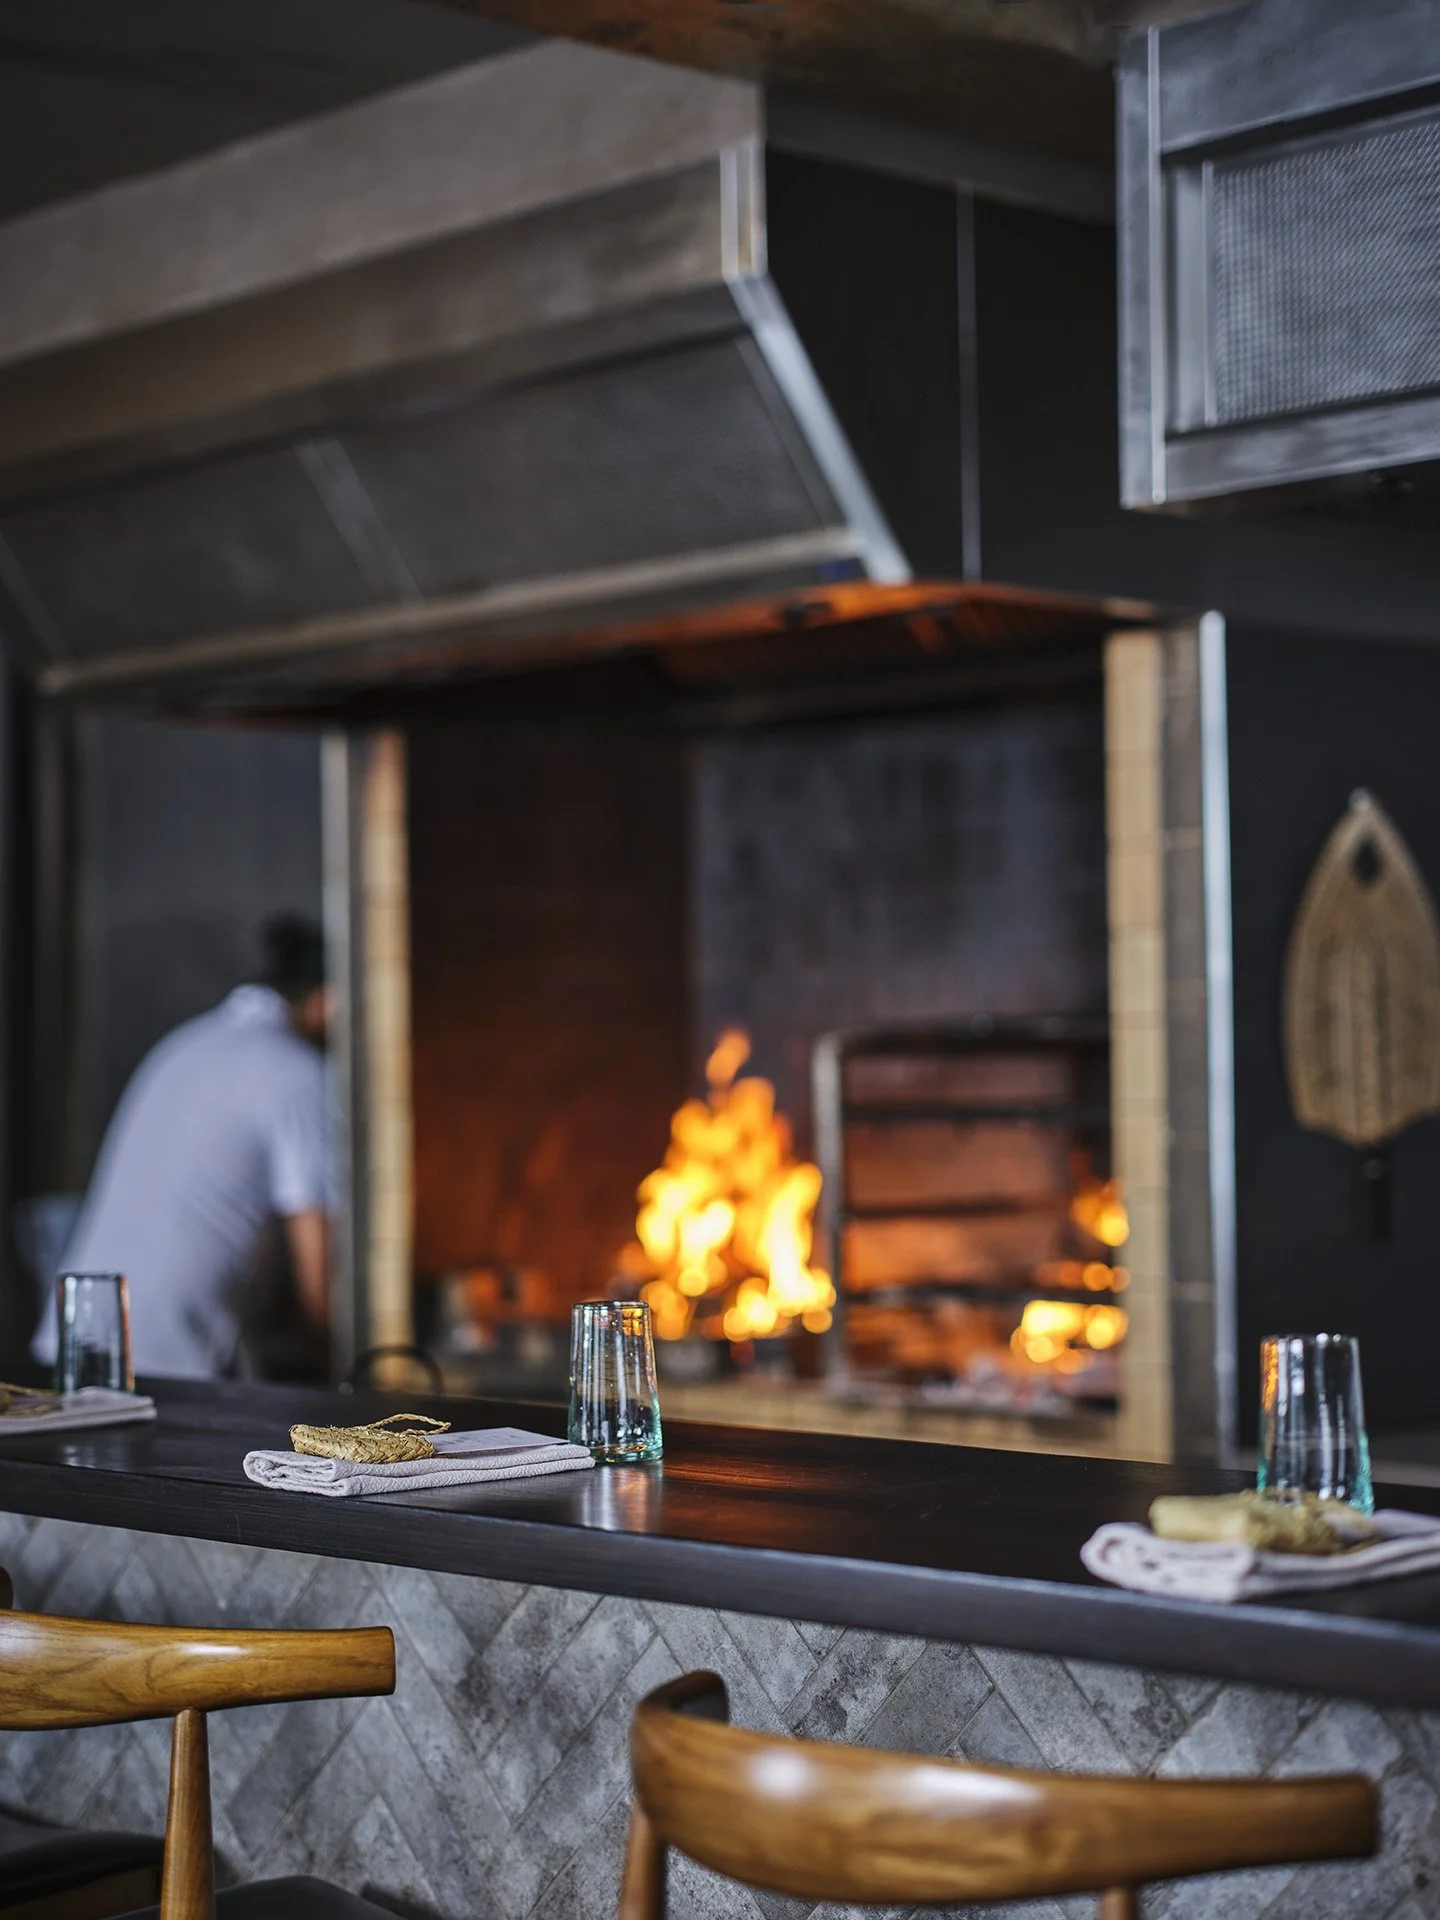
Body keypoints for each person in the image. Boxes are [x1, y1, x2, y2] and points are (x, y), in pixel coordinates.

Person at [33, 917, 332, 1380]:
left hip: (69, 1346)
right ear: (327, 999)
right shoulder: (299, 1072)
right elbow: (319, 1257)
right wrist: (343, 1369)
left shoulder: (185, 1043)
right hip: (171, 1366)